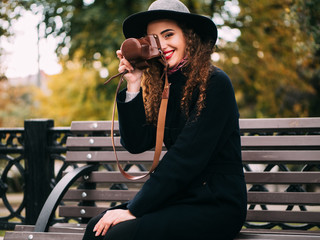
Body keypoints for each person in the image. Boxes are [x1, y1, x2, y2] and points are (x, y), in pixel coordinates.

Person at [82, 0, 247, 239]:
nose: (163, 44)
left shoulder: (215, 83)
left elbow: (185, 157)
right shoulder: (163, 86)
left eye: (169, 34)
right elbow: (136, 143)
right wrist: (134, 84)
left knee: (119, 234)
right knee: (96, 228)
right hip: (179, 197)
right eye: (153, 39)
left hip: (215, 203)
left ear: (188, 37)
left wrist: (134, 208)